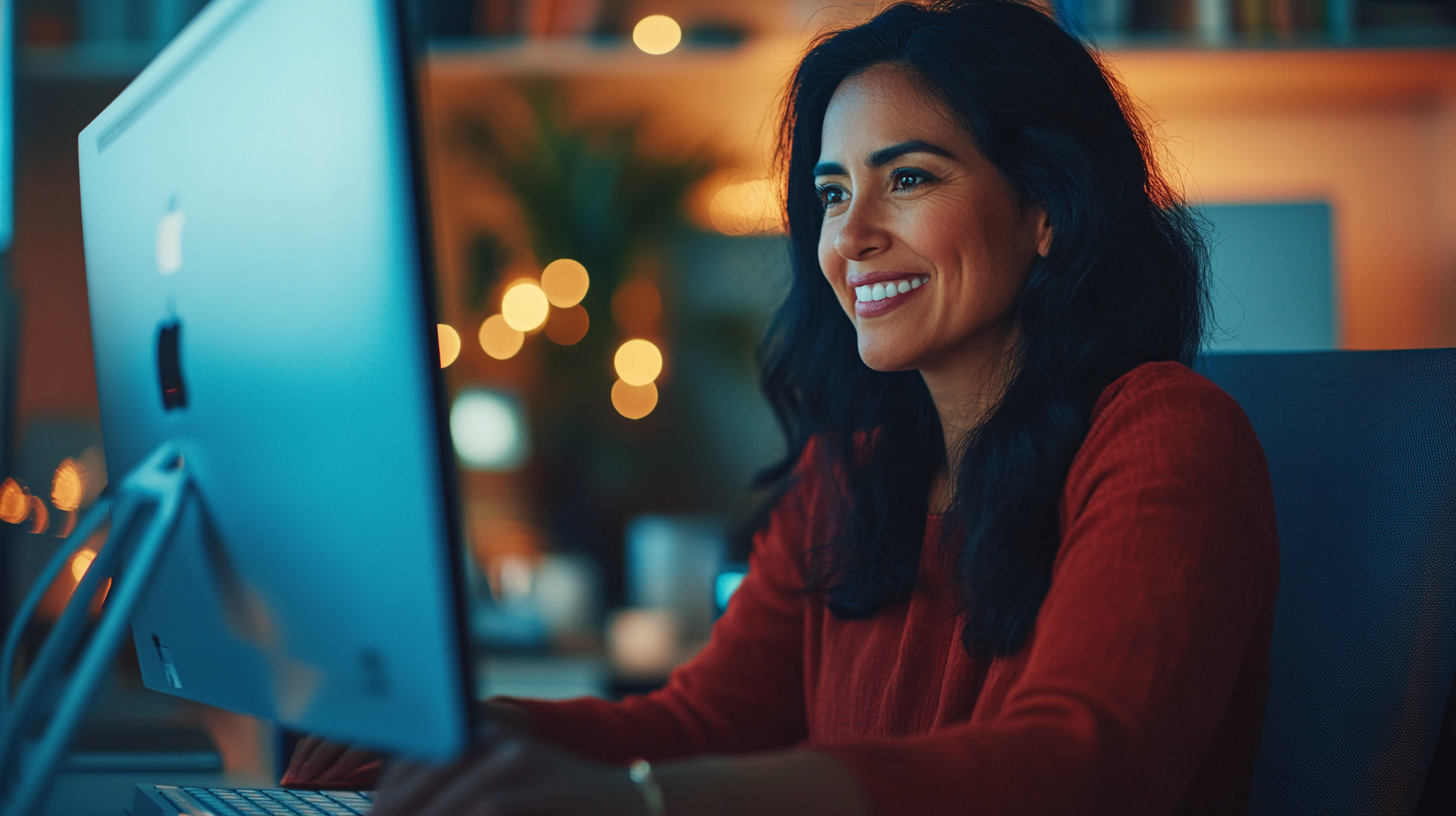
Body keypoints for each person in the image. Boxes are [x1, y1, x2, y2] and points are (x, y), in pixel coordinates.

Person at [284, 1, 1280, 813]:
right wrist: (475, 737)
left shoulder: (1163, 435)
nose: (851, 237)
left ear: (1046, 209)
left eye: (910, 178)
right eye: (833, 194)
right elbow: (703, 724)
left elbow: (1079, 766)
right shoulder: (848, 473)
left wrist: (640, 804)